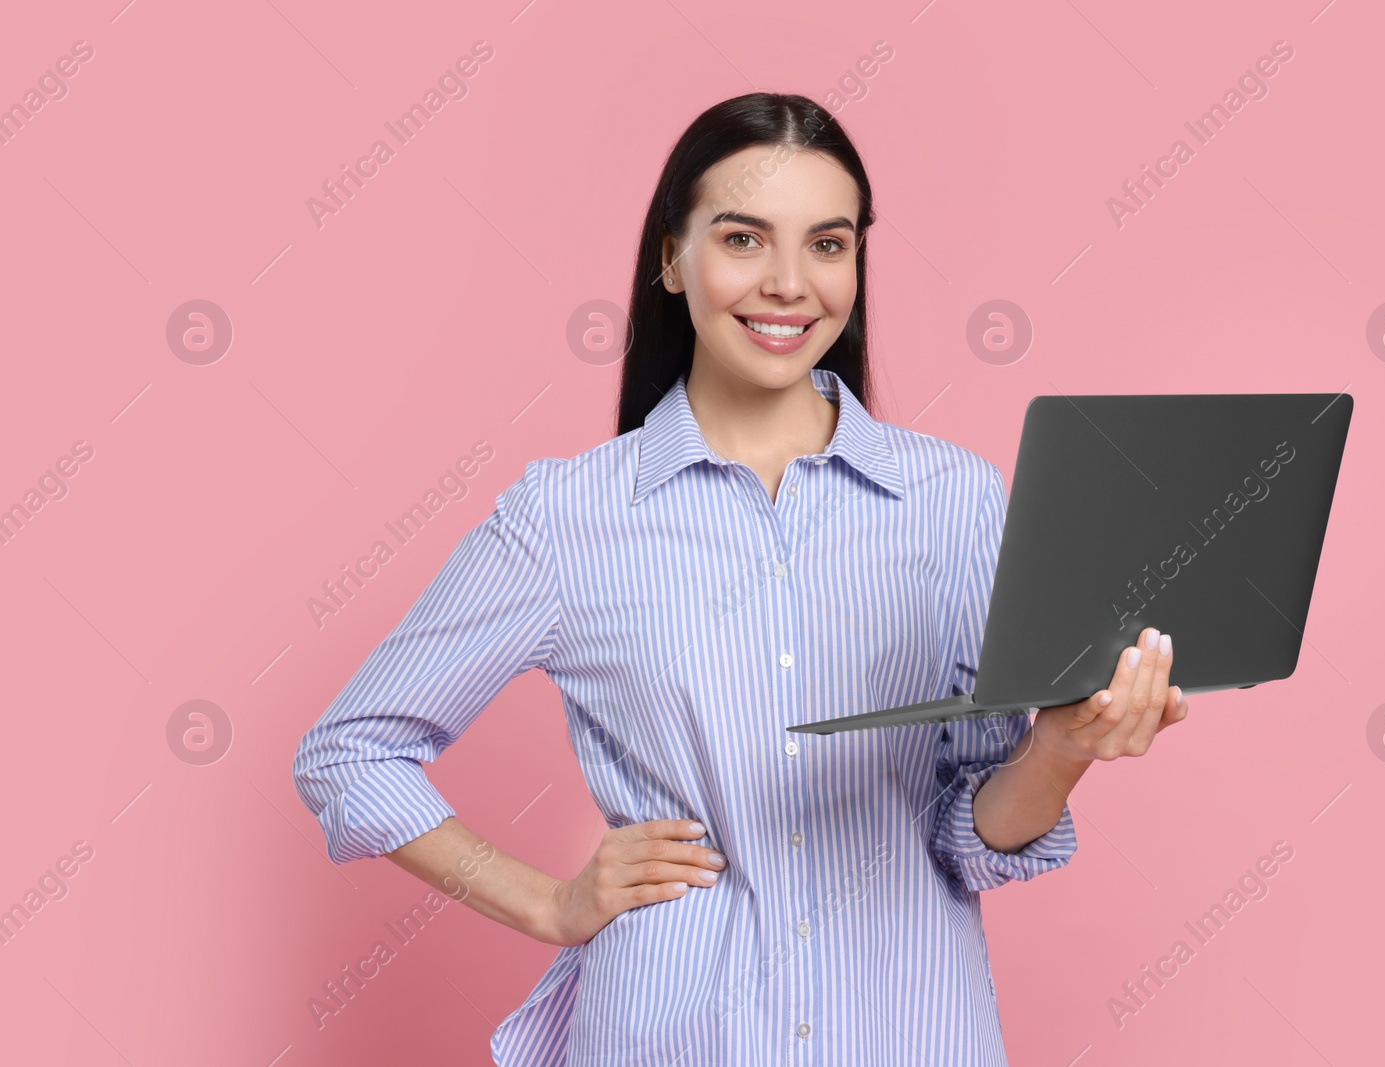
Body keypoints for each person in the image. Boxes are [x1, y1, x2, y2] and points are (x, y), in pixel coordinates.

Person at [292, 91, 1188, 1066]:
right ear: (671, 258)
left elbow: (965, 829)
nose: (790, 285)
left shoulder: (952, 500)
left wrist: (1060, 747)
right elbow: (350, 750)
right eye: (744, 239)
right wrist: (550, 901)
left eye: (828, 244)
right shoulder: (569, 518)